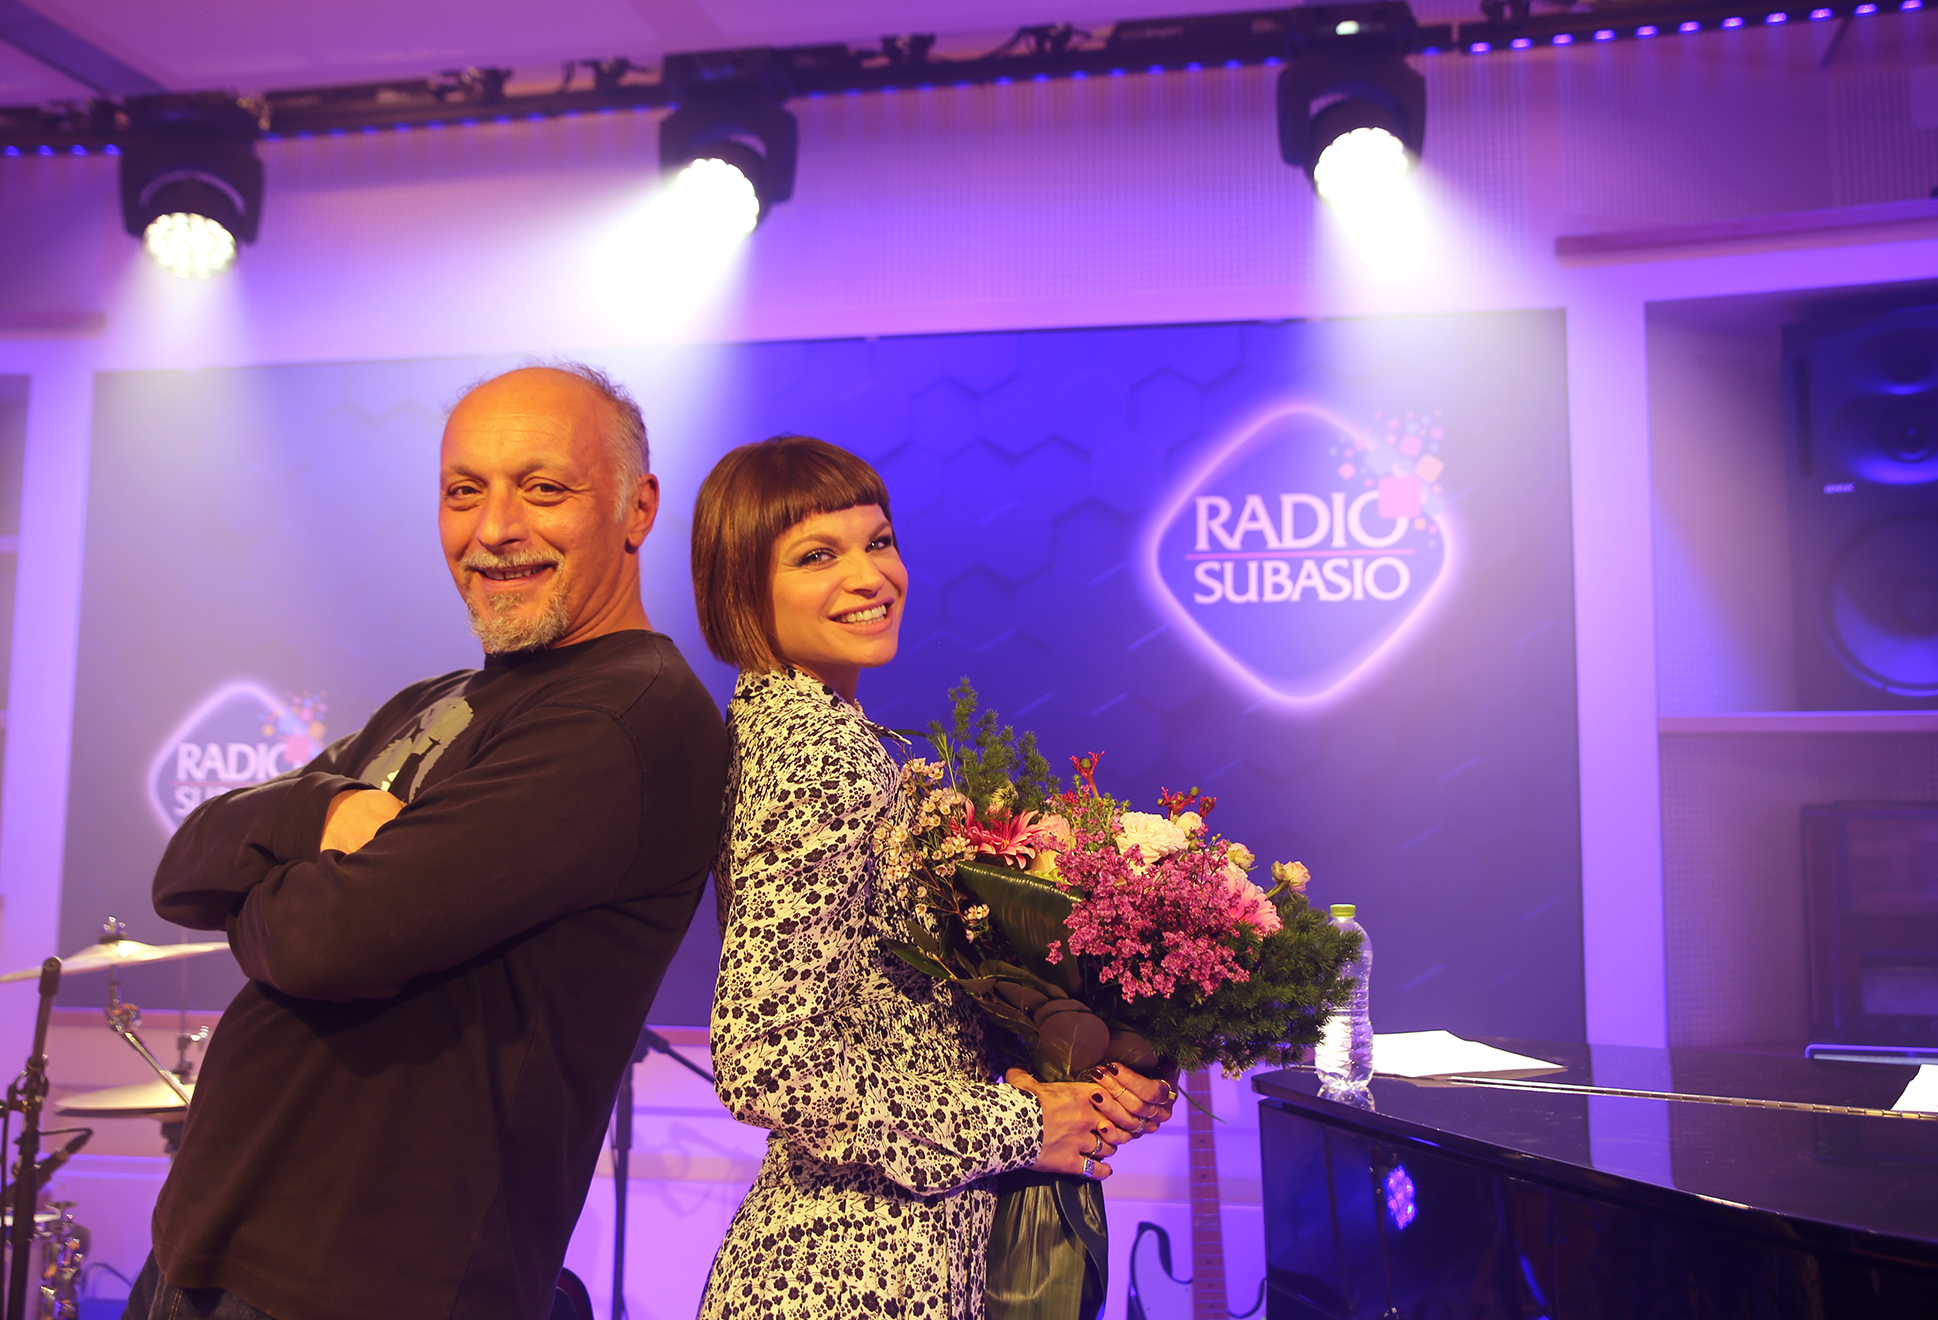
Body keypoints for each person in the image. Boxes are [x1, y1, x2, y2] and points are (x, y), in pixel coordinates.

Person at [127, 364, 731, 1320]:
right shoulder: (435, 700)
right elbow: (183, 866)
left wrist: (262, 895)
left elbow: (329, 941)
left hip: (365, 1285)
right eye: (463, 492)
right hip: (202, 1251)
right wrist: (317, 816)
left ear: (637, 508)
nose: (494, 528)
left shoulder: (626, 717)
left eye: (544, 488)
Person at [690, 435, 1175, 1320]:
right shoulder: (820, 754)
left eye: (878, 541)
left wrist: (1066, 1078)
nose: (870, 576)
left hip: (879, 1254)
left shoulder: (784, 730)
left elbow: (888, 1022)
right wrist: (1026, 1125)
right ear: (740, 587)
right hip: (854, 1273)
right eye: (817, 556)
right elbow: (768, 1061)